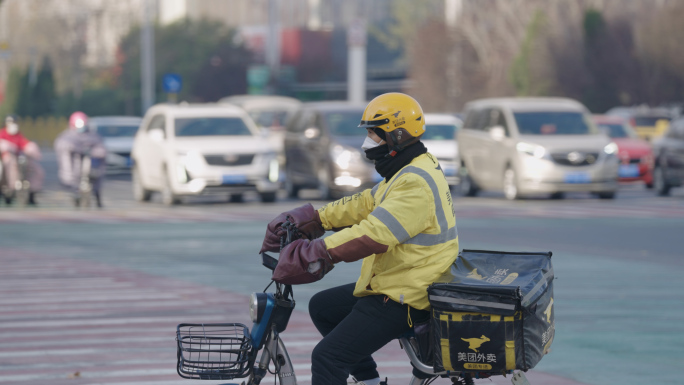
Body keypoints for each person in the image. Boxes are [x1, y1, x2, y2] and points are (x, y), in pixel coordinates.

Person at [260, 93, 459, 385]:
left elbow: (374, 234)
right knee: (323, 308)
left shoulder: (414, 182)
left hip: (408, 295)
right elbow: (366, 202)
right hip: (400, 280)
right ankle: (368, 381)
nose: (368, 142)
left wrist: (316, 251)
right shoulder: (409, 168)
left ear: (397, 134)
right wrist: (317, 219)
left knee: (328, 358)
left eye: (373, 134)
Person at [54, 111, 107, 207]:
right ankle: (76, 195)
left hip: (91, 167)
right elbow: (62, 145)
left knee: (96, 178)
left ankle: (97, 196)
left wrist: (94, 152)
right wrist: (76, 150)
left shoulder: (93, 136)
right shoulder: (67, 136)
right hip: (75, 167)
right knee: (73, 183)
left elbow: (101, 147)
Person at [0, 115, 45, 205]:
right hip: (5, 161)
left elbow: (25, 144)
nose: (14, 125)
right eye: (11, 123)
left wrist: (31, 148)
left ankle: (32, 191)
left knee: (34, 168)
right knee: (10, 163)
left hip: (18, 159)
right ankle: (11, 189)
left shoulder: (18, 135)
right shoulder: (2, 134)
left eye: (15, 123)